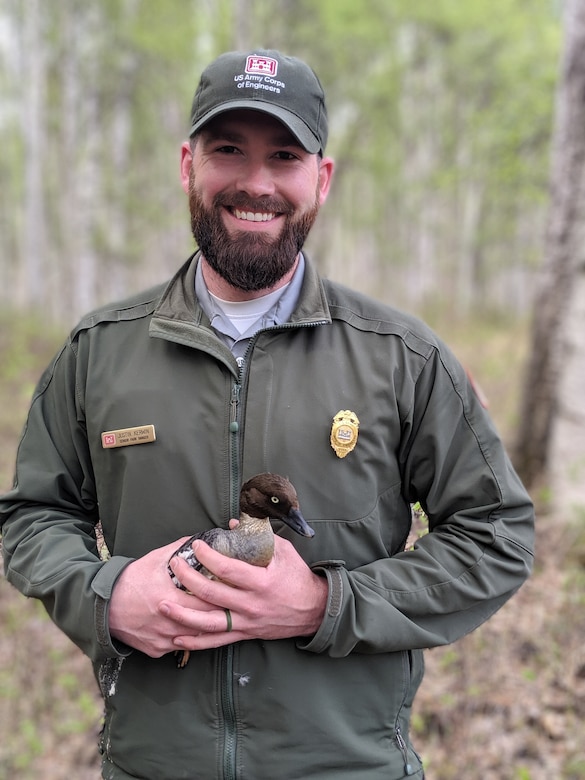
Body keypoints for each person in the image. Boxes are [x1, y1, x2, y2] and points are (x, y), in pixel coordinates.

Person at [0, 49, 534, 780]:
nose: (255, 182)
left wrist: (324, 604)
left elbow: (496, 535)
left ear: (321, 177)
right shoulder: (99, 351)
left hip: (346, 767)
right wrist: (107, 596)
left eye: (283, 155)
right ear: (187, 164)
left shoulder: (401, 356)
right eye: (229, 151)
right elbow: (32, 515)